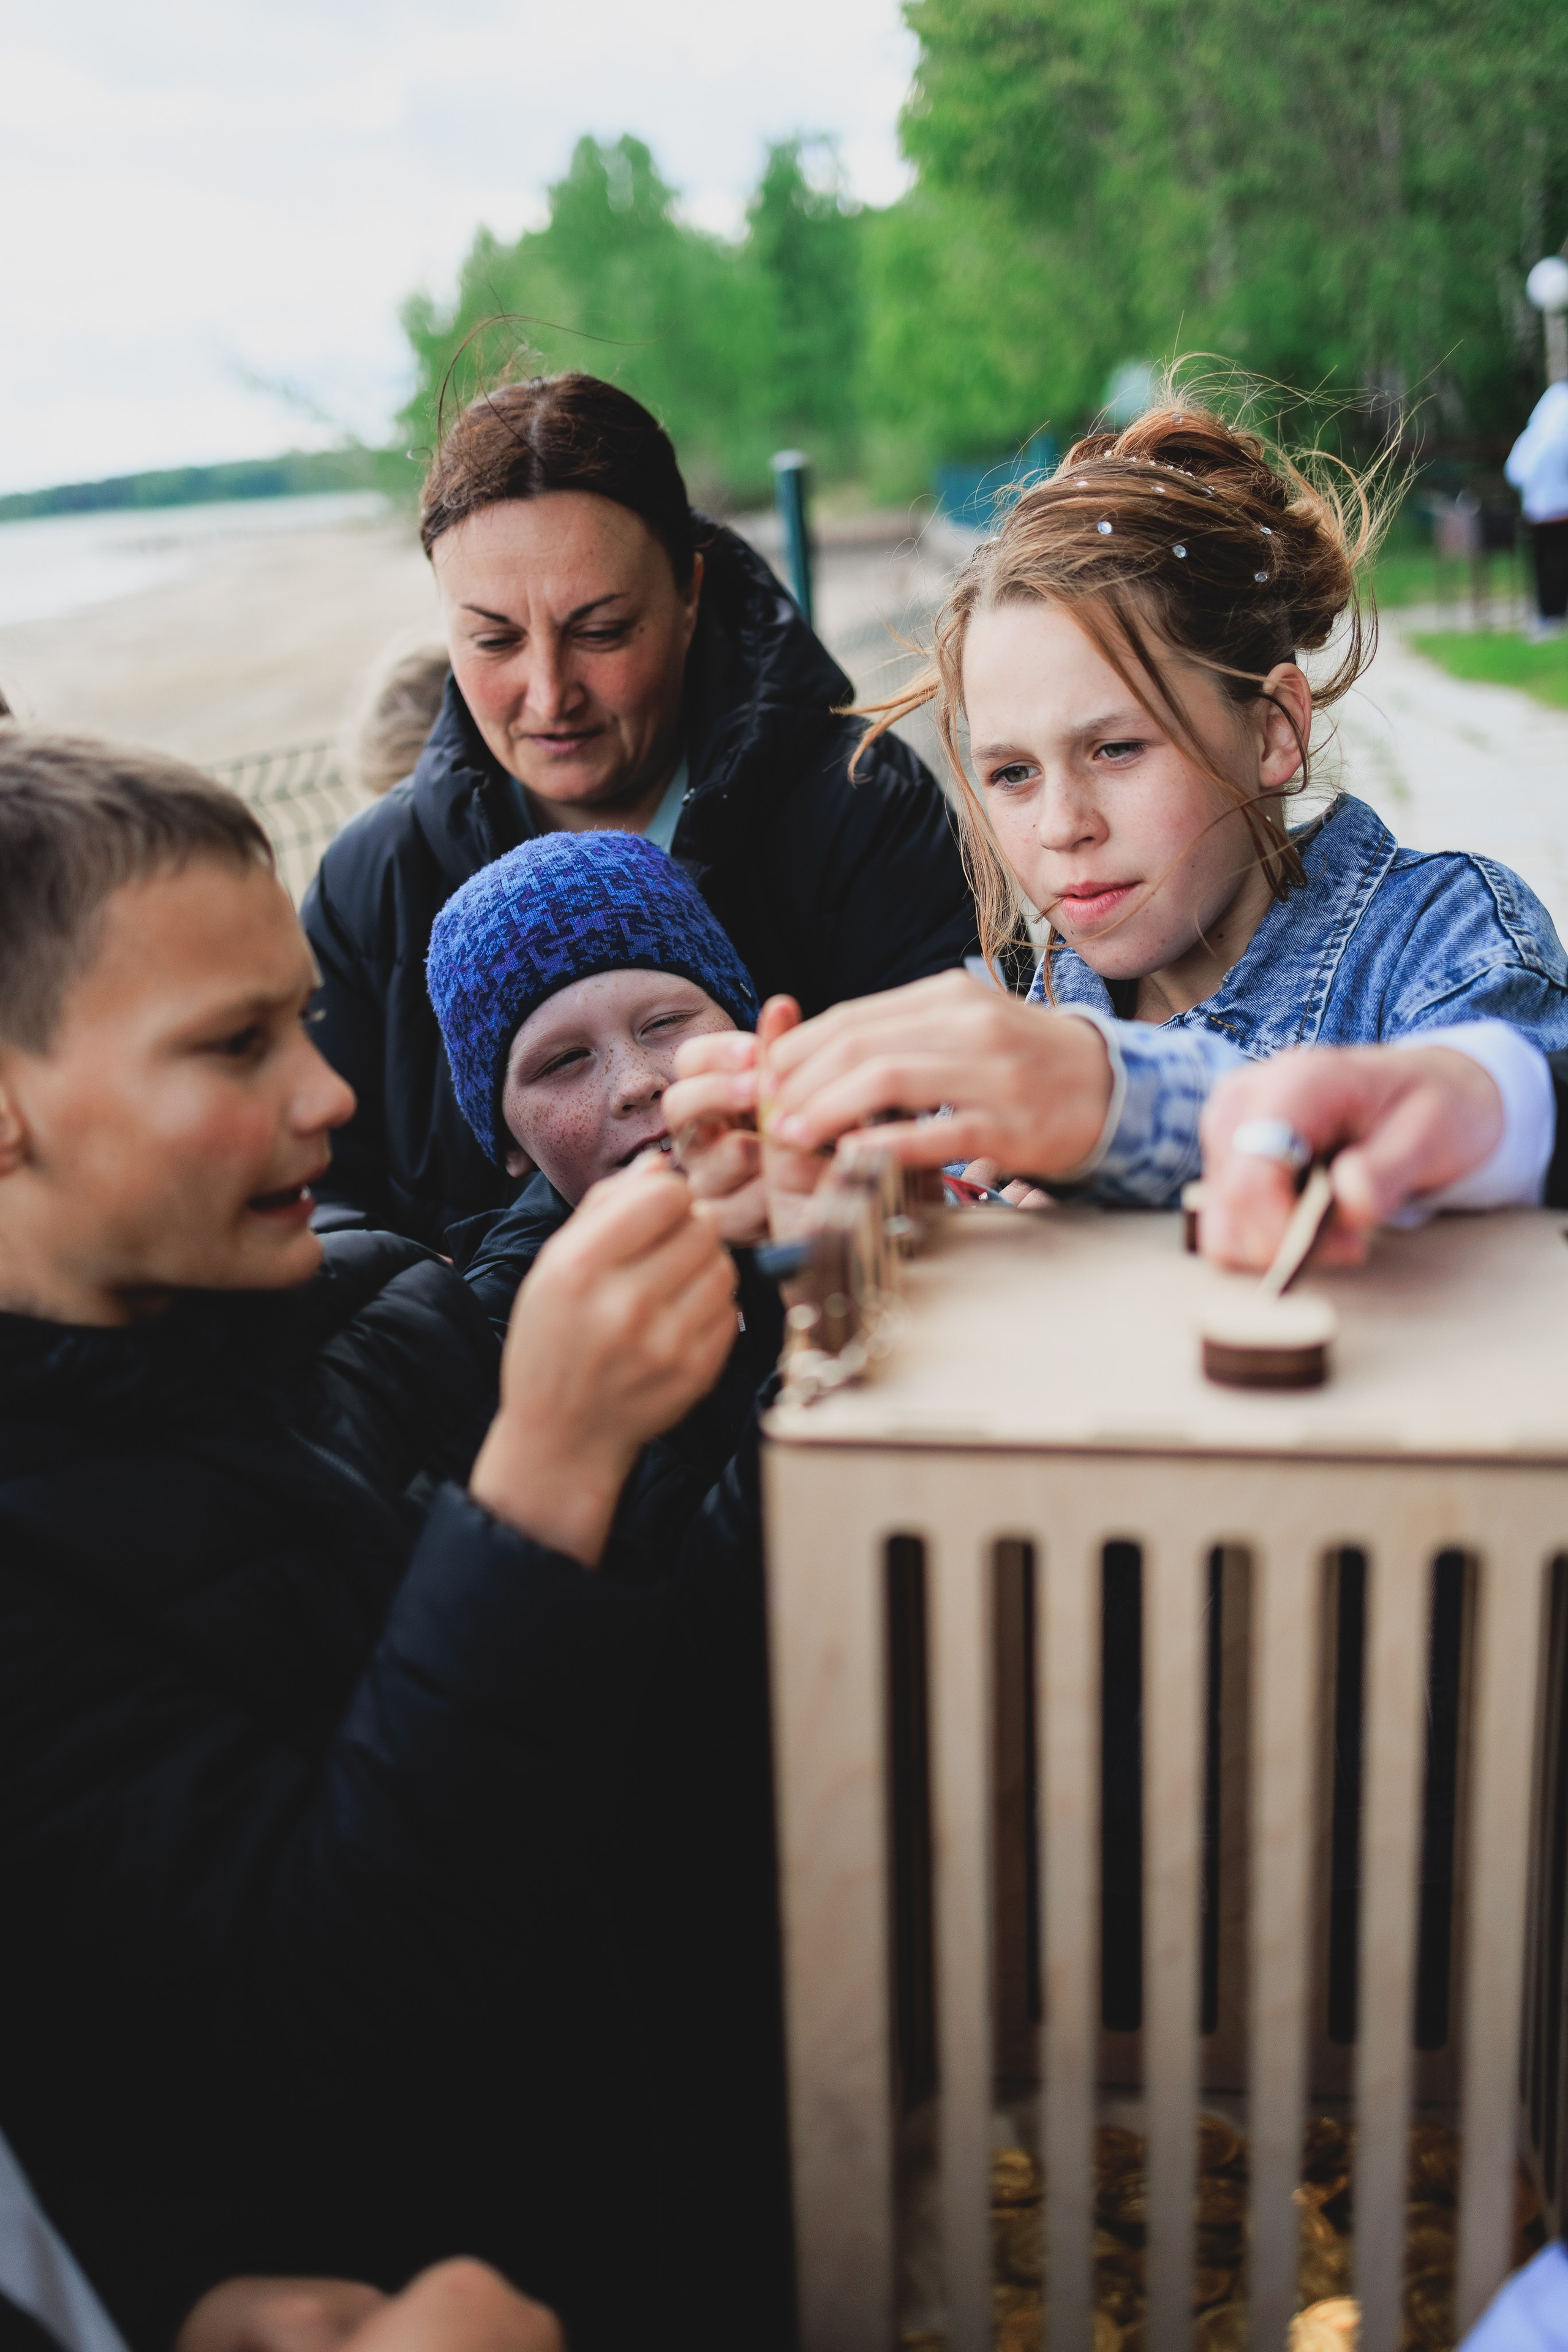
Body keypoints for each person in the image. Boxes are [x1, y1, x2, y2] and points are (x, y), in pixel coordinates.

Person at [0, 733, 786, 2352]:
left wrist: (812, 1317)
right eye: (235, 1047)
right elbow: (313, 1997)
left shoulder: (368, 1292)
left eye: (306, 1016)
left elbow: (657, 1713)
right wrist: (546, 1474)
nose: (334, 1095)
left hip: (687, 2192)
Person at [666, 398, 1568, 1204]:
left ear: (1274, 731)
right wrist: (836, 1202)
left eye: (1118, 749)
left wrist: (1120, 1108)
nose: (1062, 828)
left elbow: (1513, 1103)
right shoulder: (1020, 1021)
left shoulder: (1442, 942)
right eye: (1013, 773)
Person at [303, 369, 977, 1247]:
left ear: (691, 595)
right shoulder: (372, 883)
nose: (549, 696)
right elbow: (321, 1215)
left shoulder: (860, 808)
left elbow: (958, 1140)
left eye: (602, 631)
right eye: (494, 639)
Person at [1507, 381, 1568, 641]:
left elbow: (1515, 472)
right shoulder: (1558, 440)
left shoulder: (1533, 439)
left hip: (1539, 514)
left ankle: (1549, 614)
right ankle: (1555, 613)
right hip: (1561, 512)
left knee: (1544, 566)